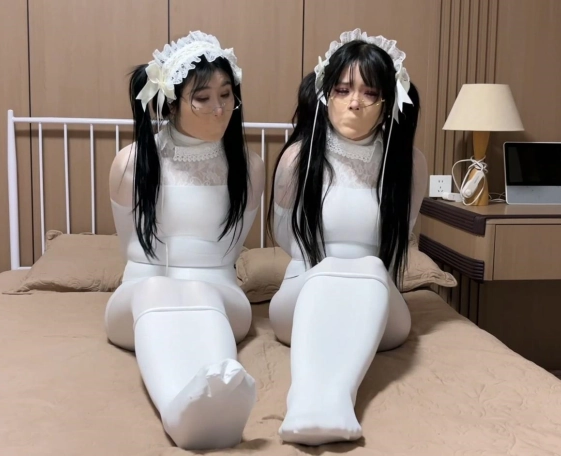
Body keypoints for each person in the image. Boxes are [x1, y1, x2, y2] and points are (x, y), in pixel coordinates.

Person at [104, 31, 264, 450]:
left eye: (226, 95)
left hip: (220, 297)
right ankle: (179, 409)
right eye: (203, 98)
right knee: (156, 286)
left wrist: (192, 282)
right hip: (138, 299)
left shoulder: (249, 167)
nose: (219, 109)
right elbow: (133, 250)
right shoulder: (131, 163)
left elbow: (230, 251)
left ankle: (219, 392)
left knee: (199, 287)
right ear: (171, 102)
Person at [268, 29, 428, 446]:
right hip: (300, 297)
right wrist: (329, 270)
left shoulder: (407, 163)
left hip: (380, 307)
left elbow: (404, 230)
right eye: (342, 89)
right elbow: (285, 237)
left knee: (370, 264)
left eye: (369, 92)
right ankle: (310, 402)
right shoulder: (299, 157)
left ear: (388, 101)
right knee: (331, 268)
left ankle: (333, 398)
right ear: (326, 94)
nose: (354, 102)